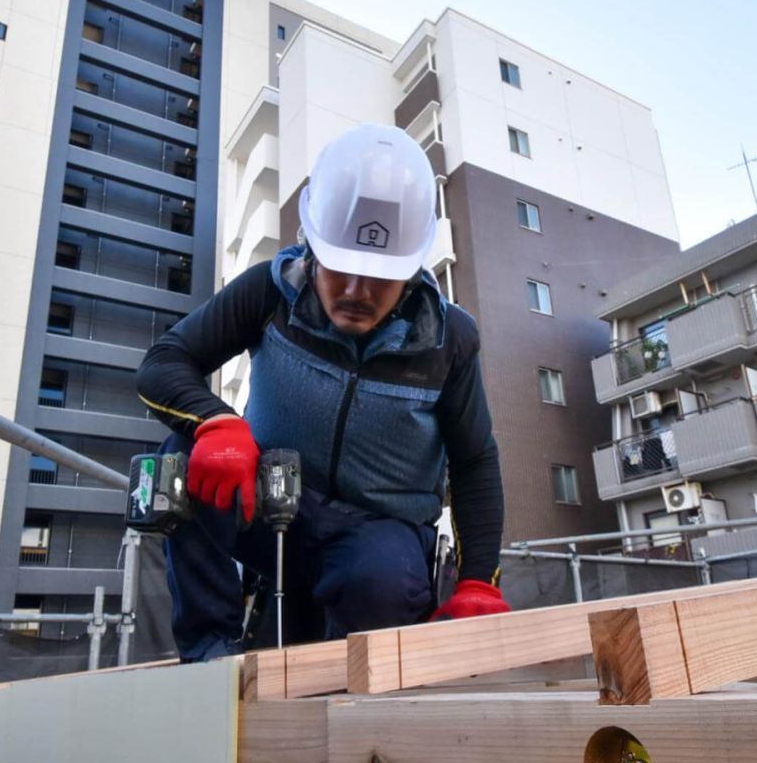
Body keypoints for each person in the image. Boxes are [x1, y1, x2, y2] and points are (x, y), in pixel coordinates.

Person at [136, 124, 509, 661]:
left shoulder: (449, 339)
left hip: (378, 535)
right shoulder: (269, 291)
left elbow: (475, 461)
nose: (357, 292)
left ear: (411, 271)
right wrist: (216, 423)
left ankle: (356, 683)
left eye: (380, 276)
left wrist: (478, 580)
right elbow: (164, 362)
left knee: (378, 587)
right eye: (341, 268)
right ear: (312, 245)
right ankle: (211, 655)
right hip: (274, 506)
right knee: (183, 458)